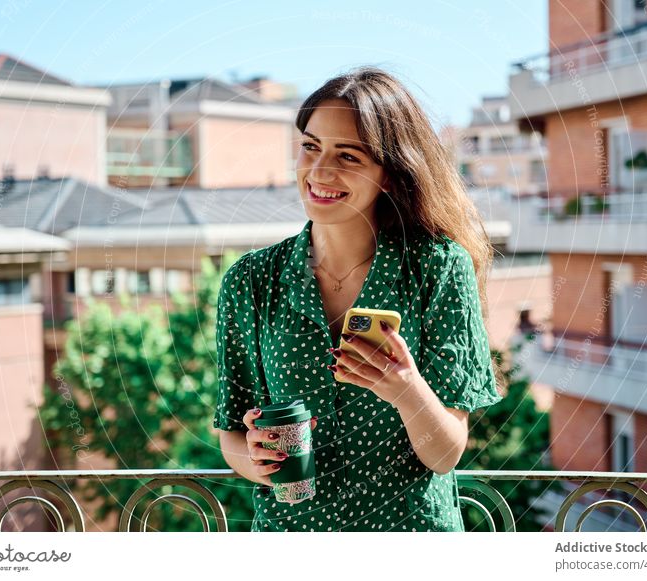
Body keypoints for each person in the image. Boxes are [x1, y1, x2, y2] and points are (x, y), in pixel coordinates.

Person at [214, 66, 503, 531]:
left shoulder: (439, 268)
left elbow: (445, 454)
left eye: (348, 156)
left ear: (390, 175)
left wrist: (407, 391)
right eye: (311, 146)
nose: (319, 170)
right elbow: (230, 429)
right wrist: (255, 459)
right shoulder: (250, 280)